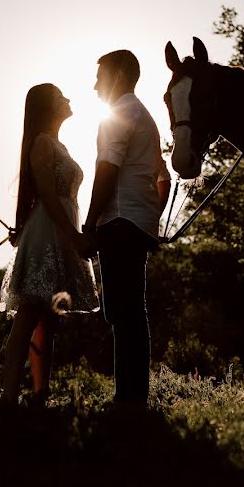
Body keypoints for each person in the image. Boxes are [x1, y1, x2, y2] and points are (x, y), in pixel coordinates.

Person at [0, 83, 100, 406]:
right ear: (46, 107)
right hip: (48, 233)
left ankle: (40, 393)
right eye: (59, 97)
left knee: (50, 318)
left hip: (59, 230)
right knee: (29, 313)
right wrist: (74, 236)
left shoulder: (58, 144)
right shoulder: (42, 143)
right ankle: (9, 395)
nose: (67, 99)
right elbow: (48, 196)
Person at [81, 50, 172, 407]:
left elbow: (107, 171)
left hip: (118, 222)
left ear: (118, 74)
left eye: (100, 75)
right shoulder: (145, 116)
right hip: (137, 222)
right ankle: (133, 395)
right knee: (130, 309)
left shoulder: (118, 114)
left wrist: (90, 224)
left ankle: (129, 399)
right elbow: (162, 178)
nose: (94, 85)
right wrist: (151, 214)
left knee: (124, 312)